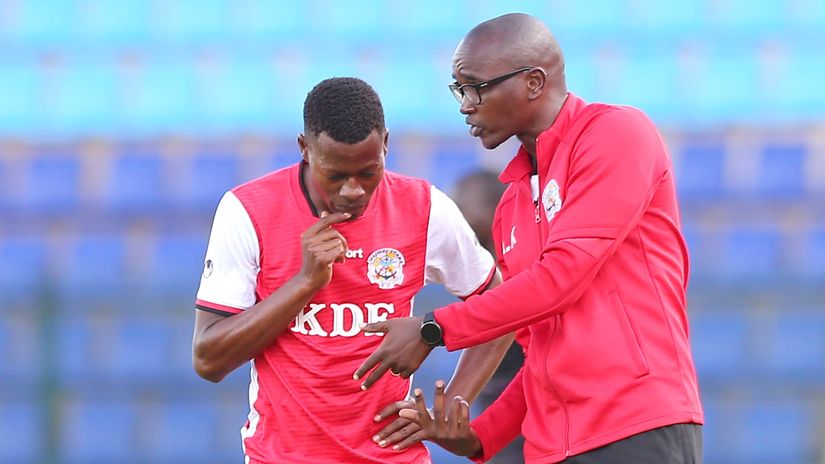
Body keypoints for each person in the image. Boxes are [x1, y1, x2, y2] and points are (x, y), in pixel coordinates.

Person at [354, 13, 704, 464]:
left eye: (476, 86)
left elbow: (564, 276)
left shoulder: (617, 134)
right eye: (458, 89)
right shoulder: (511, 204)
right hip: (549, 447)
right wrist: (481, 437)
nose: (465, 104)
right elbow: (538, 352)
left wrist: (433, 329)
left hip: (635, 427)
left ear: (534, 82)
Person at [191, 77, 513, 463]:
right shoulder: (248, 211)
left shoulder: (425, 208)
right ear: (305, 149)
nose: (353, 191)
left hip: (394, 456)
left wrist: (453, 403)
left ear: (386, 145)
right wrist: (305, 283)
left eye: (367, 172)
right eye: (336, 175)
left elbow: (500, 305)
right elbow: (209, 360)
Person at [453, 170, 525, 464]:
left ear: (492, 208)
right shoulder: (477, 274)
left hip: (530, 414)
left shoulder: (523, 272)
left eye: (462, 206)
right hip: (499, 411)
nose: (454, 218)